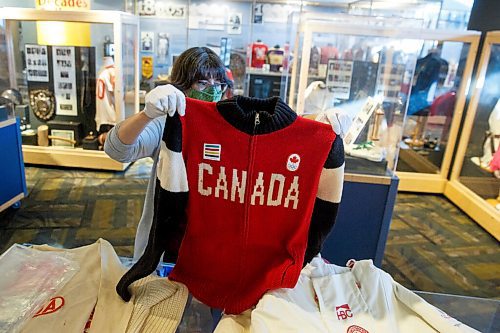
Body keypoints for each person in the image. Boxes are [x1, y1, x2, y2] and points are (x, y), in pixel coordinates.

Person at [104, 47, 230, 260]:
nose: (212, 90)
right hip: (169, 238)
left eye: (217, 83)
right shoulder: (168, 122)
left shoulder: (228, 123)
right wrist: (146, 114)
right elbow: (116, 149)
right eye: (202, 83)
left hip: (211, 235)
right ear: (182, 84)